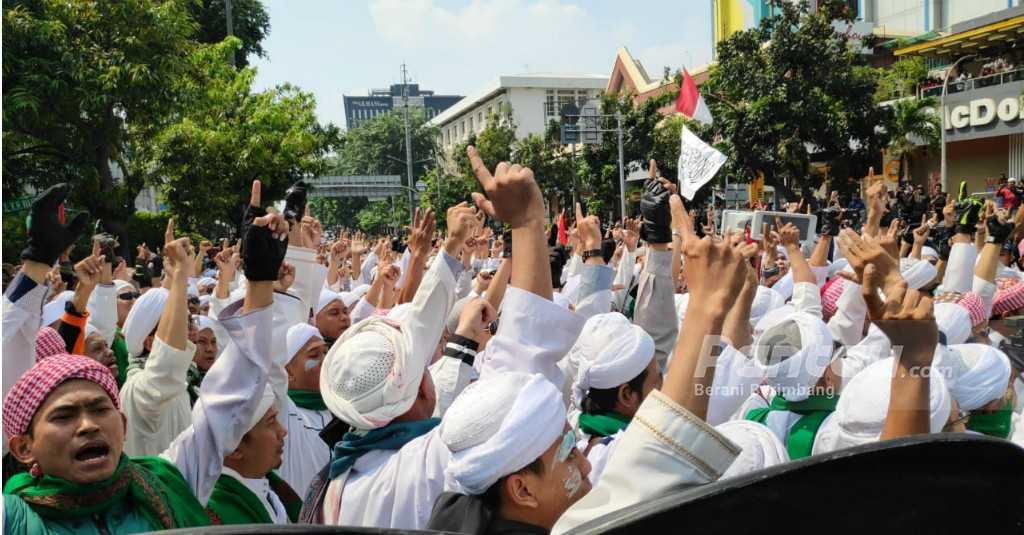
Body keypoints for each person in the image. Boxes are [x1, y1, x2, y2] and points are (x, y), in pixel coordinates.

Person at [2, 180, 286, 533]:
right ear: (23, 447)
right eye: (64, 416)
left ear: (121, 425)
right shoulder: (12, 518)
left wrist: (260, 281)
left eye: (100, 409)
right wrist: (35, 266)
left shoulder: (167, 484)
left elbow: (230, 401)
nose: (88, 425)